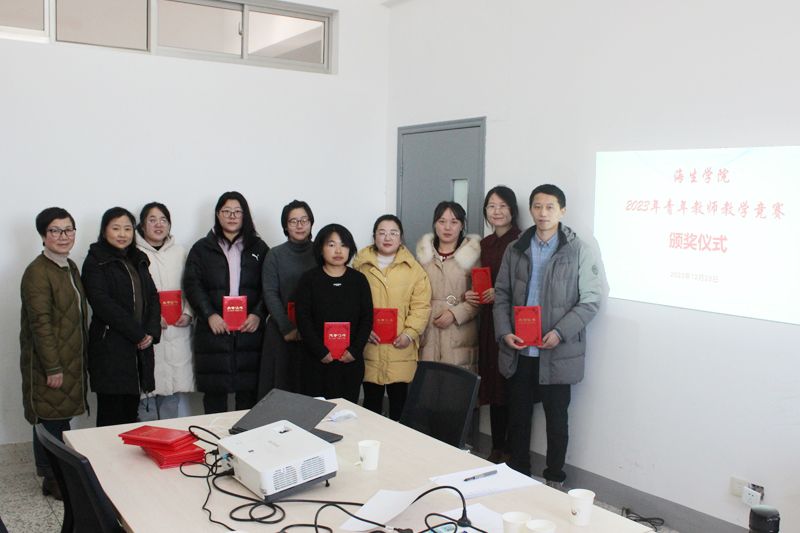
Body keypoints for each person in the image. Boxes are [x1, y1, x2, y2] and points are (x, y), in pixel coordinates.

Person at [493, 184, 602, 487]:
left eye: (550, 207)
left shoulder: (578, 250)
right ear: (531, 210)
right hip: (520, 349)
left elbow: (591, 301)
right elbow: (501, 295)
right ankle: (518, 475)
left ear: (562, 211)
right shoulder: (516, 248)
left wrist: (560, 332)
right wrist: (504, 332)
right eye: (537, 206)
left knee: (556, 422)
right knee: (518, 419)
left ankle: (554, 480)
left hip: (558, 351)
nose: (543, 213)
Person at [20, 207, 88, 499]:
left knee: (60, 418)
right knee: (49, 419)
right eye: (55, 230)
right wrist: (52, 367)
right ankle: (50, 476)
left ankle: (60, 473)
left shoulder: (68, 266)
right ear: (43, 235)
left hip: (70, 357)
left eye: (68, 230)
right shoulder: (37, 272)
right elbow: (41, 324)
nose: (63, 236)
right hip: (51, 361)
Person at [184, 192, 269, 414]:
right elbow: (192, 284)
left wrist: (258, 314)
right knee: (214, 397)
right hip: (214, 331)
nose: (232, 216)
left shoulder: (259, 248)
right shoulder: (201, 248)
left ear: (245, 215)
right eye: (227, 211)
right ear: (217, 214)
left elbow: (269, 287)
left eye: (237, 212)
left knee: (248, 399)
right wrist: (209, 314)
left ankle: (245, 437)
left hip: (249, 332)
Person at [82, 207, 161, 427]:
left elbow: (152, 296)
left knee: (130, 412)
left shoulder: (138, 258)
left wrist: (151, 332)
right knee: (111, 414)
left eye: (127, 228)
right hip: (110, 347)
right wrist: (138, 333)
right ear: (104, 231)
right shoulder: (95, 260)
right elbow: (102, 303)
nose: (122, 234)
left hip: (139, 348)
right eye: (116, 228)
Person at [352, 214, 431, 420]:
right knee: (371, 404)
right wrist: (363, 330)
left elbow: (421, 306)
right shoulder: (360, 266)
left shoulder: (414, 270)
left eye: (393, 233)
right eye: (382, 233)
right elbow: (351, 305)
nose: (387, 238)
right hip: (370, 346)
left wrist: (410, 333)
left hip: (401, 347)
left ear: (401, 238)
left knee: (400, 404)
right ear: (374, 237)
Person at [465, 186, 522, 464]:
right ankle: (497, 447)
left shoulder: (522, 241)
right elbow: (476, 279)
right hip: (487, 322)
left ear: (513, 210)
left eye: (502, 206)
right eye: (491, 206)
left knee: (511, 387)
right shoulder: (485, 244)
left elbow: (527, 285)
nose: (496, 211)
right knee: (495, 385)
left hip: (512, 323)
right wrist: (471, 294)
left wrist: (500, 294)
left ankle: (511, 450)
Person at [295, 224, 372, 403]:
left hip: (349, 361)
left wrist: (354, 350)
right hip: (316, 360)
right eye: (331, 245)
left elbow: (367, 318)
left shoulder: (359, 280)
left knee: (347, 411)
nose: (338, 250)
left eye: (343, 245)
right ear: (320, 249)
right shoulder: (309, 279)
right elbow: (303, 319)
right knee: (315, 412)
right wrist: (320, 351)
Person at [136, 202, 194, 420]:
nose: (158, 225)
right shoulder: (134, 253)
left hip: (177, 329)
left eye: (163, 220)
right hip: (149, 332)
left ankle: (170, 438)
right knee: (146, 395)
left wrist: (188, 313)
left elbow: (191, 286)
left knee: (171, 393)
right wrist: (151, 318)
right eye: (152, 220)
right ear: (142, 225)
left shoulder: (181, 252)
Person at [259, 200, 316, 397]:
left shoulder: (321, 253)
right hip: (281, 331)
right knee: (280, 388)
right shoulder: (274, 255)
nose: (299, 225)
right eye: (293, 221)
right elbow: (270, 293)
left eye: (304, 220)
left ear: (311, 223)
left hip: (313, 333)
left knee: (309, 388)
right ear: (285, 225)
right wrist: (287, 327)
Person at [416, 201, 481, 373]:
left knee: (457, 385)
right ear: (434, 224)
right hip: (429, 332)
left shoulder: (473, 255)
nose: (447, 227)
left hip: (461, 335)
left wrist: (454, 314)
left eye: (454, 222)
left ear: (462, 225)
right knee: (429, 384)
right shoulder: (423, 257)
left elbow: (480, 297)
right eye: (442, 221)